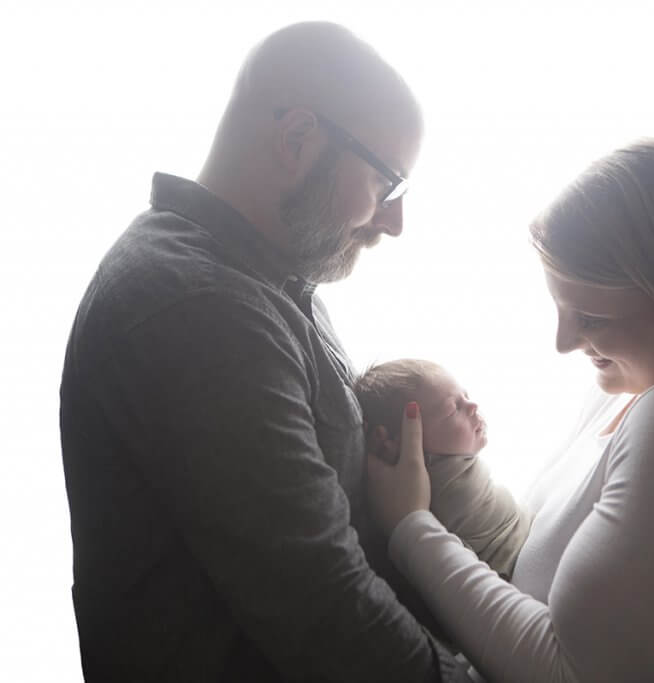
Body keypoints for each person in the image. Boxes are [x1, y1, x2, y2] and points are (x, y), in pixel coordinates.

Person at [59, 22, 472, 682]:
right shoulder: (197, 307)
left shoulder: (269, 280)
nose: (393, 222)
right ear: (297, 140)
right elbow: (328, 617)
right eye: (385, 183)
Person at [367, 139, 654, 682]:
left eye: (590, 317)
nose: (564, 342)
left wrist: (410, 527)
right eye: (560, 309)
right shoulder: (639, 381)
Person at [354, 359, 530, 579]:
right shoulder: (441, 482)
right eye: (453, 409)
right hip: (509, 569)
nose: (473, 405)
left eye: (465, 396)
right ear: (405, 443)